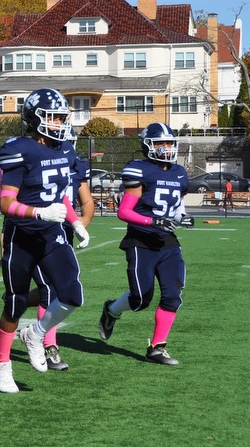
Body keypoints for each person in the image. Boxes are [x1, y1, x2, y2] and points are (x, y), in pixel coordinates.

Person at [0, 88, 90, 393]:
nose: (60, 122)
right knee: (15, 302)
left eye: (63, 117)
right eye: (54, 116)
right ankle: (2, 365)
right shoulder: (20, 149)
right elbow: (6, 204)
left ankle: (35, 334)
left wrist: (75, 221)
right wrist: (39, 213)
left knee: (73, 295)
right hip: (21, 234)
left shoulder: (66, 150)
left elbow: (59, 193)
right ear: (36, 119)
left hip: (52, 234)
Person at [100, 122, 191, 366]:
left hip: (168, 242)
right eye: (160, 143)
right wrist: (153, 221)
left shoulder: (179, 173)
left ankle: (157, 348)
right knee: (141, 298)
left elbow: (177, 205)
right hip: (141, 240)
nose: (166, 148)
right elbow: (124, 211)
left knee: (173, 295)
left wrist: (182, 217)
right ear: (147, 145)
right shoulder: (138, 169)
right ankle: (111, 310)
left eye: (169, 143)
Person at [27, 127, 96, 371]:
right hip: (33, 231)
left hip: (62, 234)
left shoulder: (77, 166)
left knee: (60, 289)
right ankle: (49, 346)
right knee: (49, 290)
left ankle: (22, 300)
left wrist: (80, 226)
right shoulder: (34, 159)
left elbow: (86, 201)